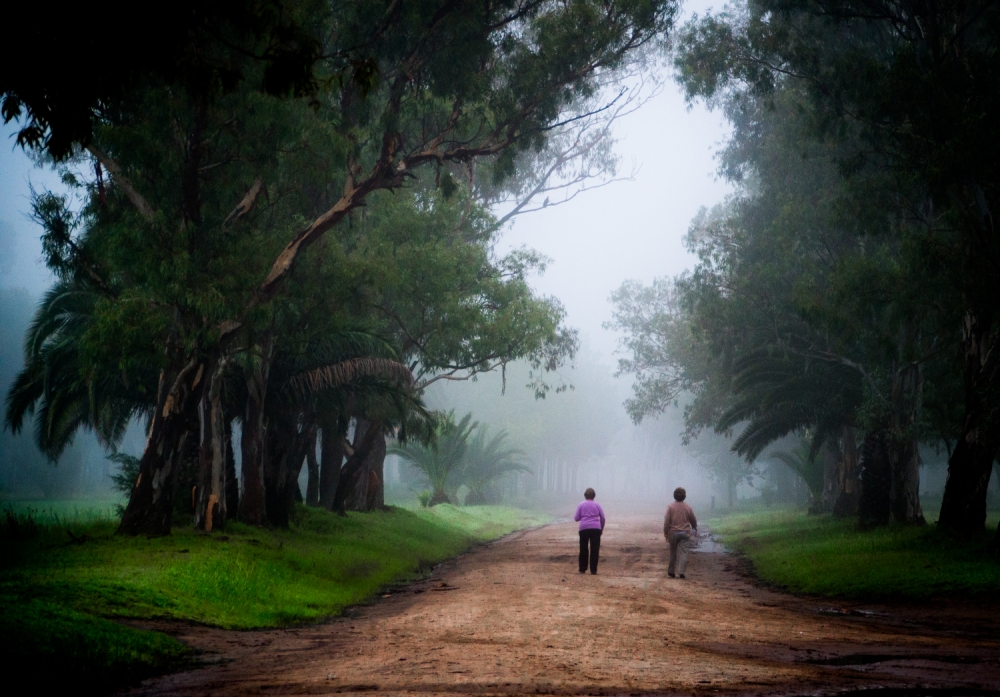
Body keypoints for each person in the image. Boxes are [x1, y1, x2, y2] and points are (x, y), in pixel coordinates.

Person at [663, 487, 697, 578]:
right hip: (685, 533)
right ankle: (681, 571)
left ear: (674, 496)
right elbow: (693, 520)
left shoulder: (670, 507)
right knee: (684, 553)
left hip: (673, 533)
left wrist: (665, 532)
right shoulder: (688, 507)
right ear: (684, 496)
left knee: (673, 552)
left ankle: (671, 571)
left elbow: (667, 521)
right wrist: (694, 527)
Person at [574, 488, 605, 575]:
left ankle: (582, 568)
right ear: (594, 496)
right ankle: (593, 570)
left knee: (583, 548)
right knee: (594, 549)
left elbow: (576, 518)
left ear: (585, 495)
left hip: (584, 529)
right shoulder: (597, 505)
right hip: (596, 529)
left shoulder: (581, 505)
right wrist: (601, 529)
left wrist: (584, 516)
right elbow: (603, 518)